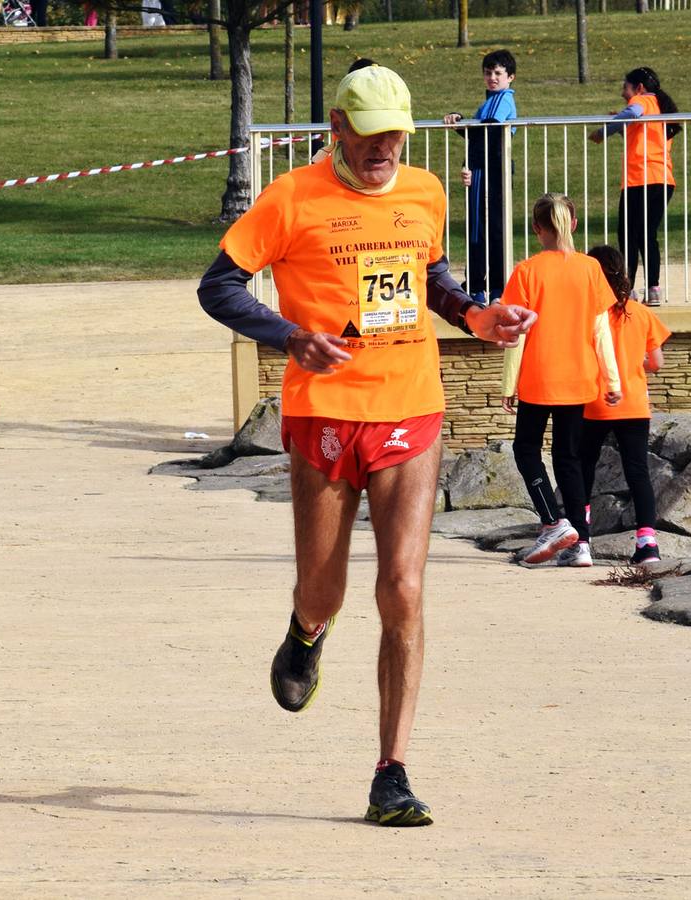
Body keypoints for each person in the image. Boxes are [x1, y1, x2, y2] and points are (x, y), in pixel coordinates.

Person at [197, 65, 535, 826]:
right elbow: (217, 287)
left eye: (395, 134)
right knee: (324, 589)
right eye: (370, 132)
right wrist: (289, 338)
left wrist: (474, 317)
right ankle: (305, 632)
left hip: (409, 406)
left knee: (404, 588)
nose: (384, 147)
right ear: (336, 127)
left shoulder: (423, 192)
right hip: (322, 412)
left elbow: (431, 279)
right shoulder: (290, 199)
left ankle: (392, 771)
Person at [499, 194, 621, 568]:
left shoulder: (527, 272)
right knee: (568, 458)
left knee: (526, 450)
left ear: (537, 229)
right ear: (573, 224)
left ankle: (553, 522)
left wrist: (508, 384)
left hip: (539, 377)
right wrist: (612, 379)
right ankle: (581, 543)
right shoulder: (589, 269)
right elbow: (601, 331)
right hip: (579, 377)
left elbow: (515, 334)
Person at [581, 245, 671, 565]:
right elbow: (656, 362)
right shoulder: (642, 312)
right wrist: (632, 365)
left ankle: (581, 538)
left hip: (593, 402)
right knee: (638, 473)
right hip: (633, 403)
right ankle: (647, 544)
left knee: (583, 469)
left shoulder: (588, 316)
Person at [588, 68, 681, 307]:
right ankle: (653, 288)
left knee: (628, 234)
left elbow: (633, 111)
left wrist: (603, 131)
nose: (623, 93)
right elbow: (639, 132)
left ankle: (626, 288)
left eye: (626, 87)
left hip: (640, 179)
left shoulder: (642, 100)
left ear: (639, 88)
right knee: (647, 234)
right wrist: (620, 123)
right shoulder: (662, 108)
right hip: (662, 179)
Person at [442, 49, 518, 305]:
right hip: (486, 170)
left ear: (511, 77)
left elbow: (487, 133)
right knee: (489, 229)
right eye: (488, 73)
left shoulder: (500, 100)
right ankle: (489, 288)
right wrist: (463, 124)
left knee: (481, 231)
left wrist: (461, 122)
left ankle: (481, 287)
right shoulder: (491, 102)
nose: (492, 78)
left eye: (498, 73)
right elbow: (482, 136)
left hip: (487, 173)